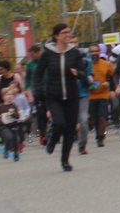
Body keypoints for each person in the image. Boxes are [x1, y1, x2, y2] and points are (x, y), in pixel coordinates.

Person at [35, 23, 88, 172]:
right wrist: (38, 92)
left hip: (72, 96)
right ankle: (52, 139)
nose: (67, 35)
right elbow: (38, 74)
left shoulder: (75, 53)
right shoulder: (47, 54)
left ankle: (65, 160)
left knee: (70, 130)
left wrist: (78, 73)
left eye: (69, 32)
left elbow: (84, 76)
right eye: (64, 32)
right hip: (54, 96)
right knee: (59, 123)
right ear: (56, 35)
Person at [88, 44, 115, 148]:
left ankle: (101, 138)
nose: (94, 53)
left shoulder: (106, 64)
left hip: (103, 95)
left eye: (96, 51)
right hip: (90, 96)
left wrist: (110, 87)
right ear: (89, 53)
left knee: (103, 117)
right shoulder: (86, 65)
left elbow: (111, 77)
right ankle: (97, 134)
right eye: (92, 52)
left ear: (99, 52)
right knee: (94, 118)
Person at [0, 86, 23, 162]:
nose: (10, 96)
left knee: (16, 139)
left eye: (11, 94)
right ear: (3, 96)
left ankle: (16, 154)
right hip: (4, 126)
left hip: (14, 125)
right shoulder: (0, 107)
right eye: (8, 94)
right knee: (9, 137)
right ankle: (6, 150)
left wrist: (12, 114)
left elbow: (18, 116)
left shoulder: (14, 106)